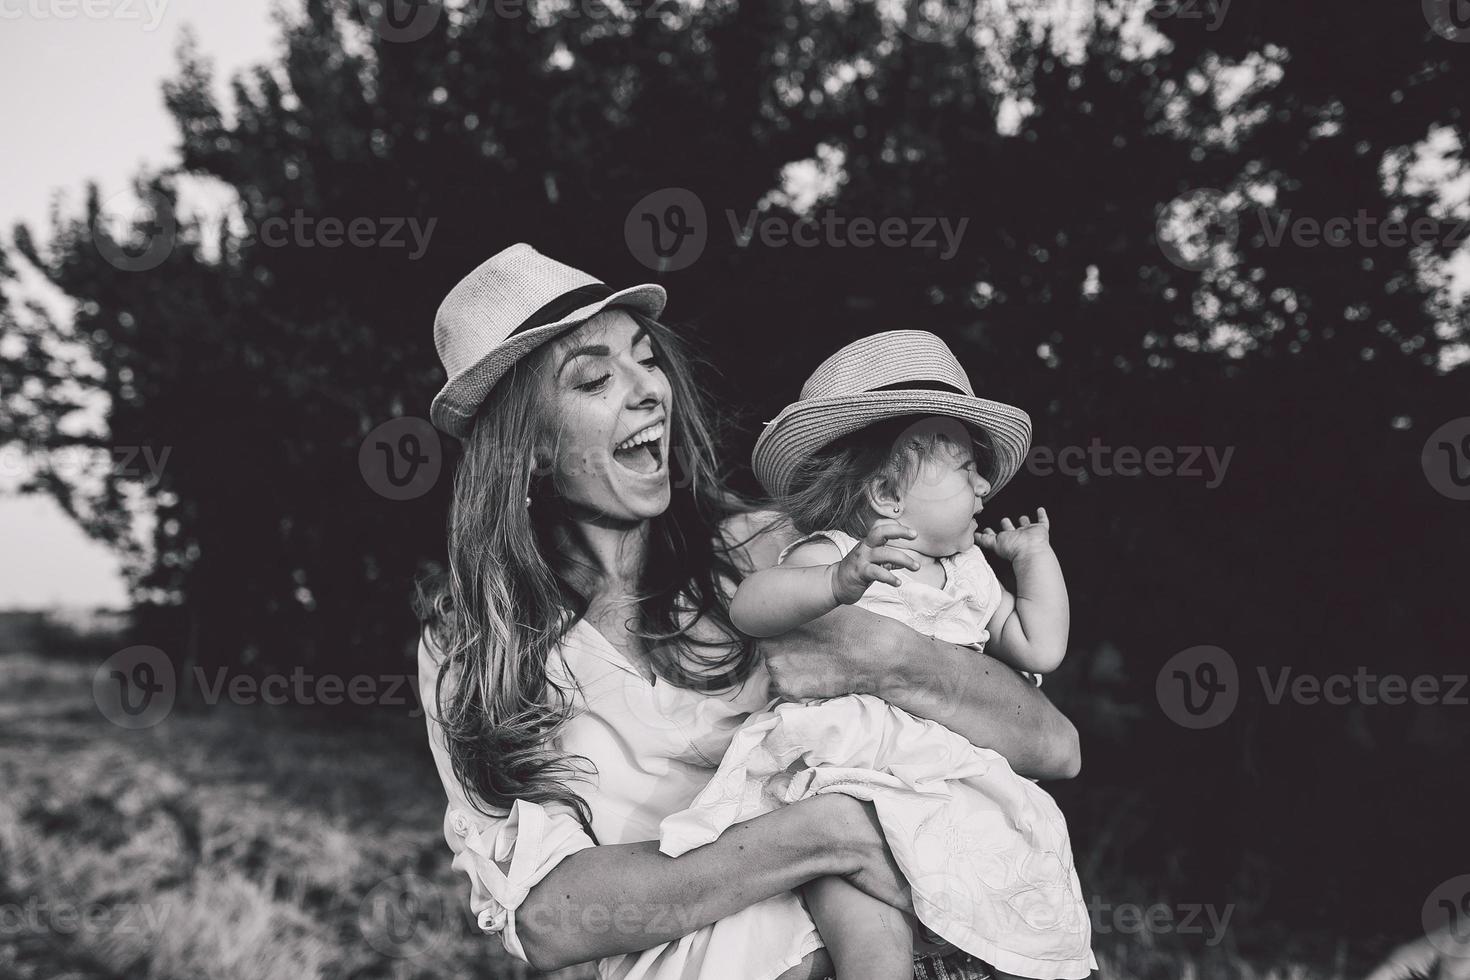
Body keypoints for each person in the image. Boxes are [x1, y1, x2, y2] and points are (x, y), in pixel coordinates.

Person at [414, 243, 1082, 980]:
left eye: (647, 358)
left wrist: (893, 659)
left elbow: (1054, 745)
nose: (650, 391)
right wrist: (830, 834)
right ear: (530, 448)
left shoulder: (776, 550)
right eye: (597, 379)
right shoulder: (476, 644)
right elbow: (549, 919)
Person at [659, 332, 1093, 980]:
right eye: (964, 465)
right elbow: (751, 606)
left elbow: (1041, 647)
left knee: (1022, 864)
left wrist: (1036, 561)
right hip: (846, 775)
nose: (984, 482)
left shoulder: (971, 573)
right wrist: (834, 584)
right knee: (866, 927)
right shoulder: (835, 555)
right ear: (889, 496)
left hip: (947, 782)